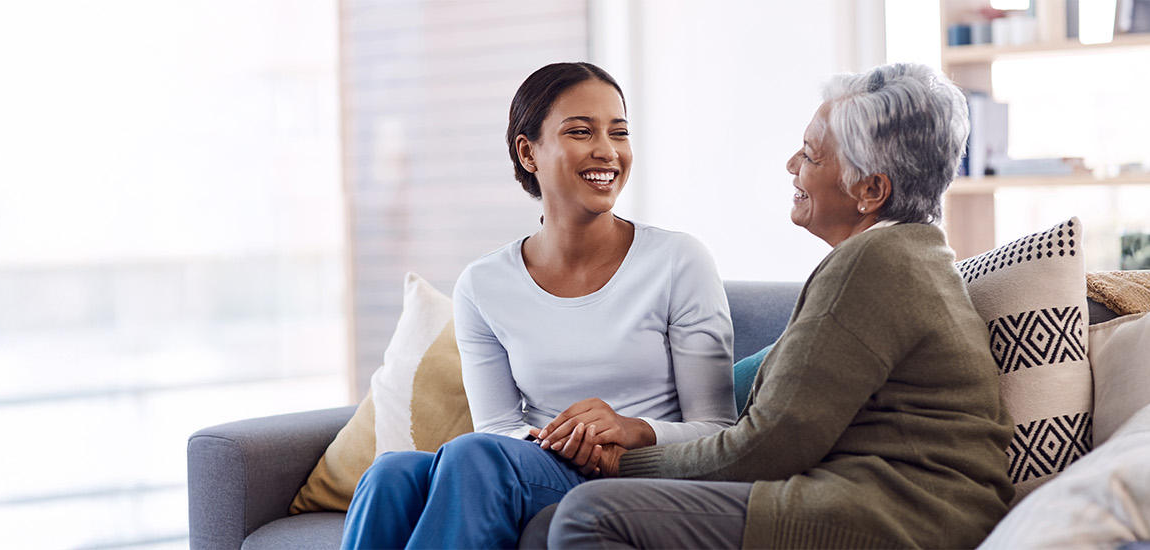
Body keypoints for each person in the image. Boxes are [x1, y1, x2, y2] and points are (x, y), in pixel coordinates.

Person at [544, 62, 1015, 549]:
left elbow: (769, 446)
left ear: (870, 190)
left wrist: (622, 463)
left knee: (590, 513)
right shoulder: (908, 255)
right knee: (545, 526)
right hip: (888, 502)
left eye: (811, 155)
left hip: (899, 512)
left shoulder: (874, 265)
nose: (792, 164)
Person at [339, 62, 737, 549]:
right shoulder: (484, 284)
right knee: (392, 472)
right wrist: (555, 441)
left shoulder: (678, 261)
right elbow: (499, 427)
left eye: (619, 133)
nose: (607, 151)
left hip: (635, 479)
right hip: (539, 465)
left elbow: (719, 432)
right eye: (580, 131)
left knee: (474, 457)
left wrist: (629, 430)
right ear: (528, 152)